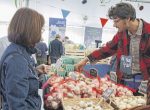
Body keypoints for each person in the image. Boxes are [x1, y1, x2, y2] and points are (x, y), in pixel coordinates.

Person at [75, 2, 150, 91]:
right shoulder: (121, 34)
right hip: (125, 80)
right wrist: (86, 59)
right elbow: (107, 49)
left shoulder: (148, 32)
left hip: (146, 80)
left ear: (127, 19)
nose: (114, 25)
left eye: (116, 21)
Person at [0, 7, 50, 110]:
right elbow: (17, 106)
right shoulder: (17, 59)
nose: (40, 34)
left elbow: (20, 80)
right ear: (31, 30)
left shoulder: (19, 51)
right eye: (40, 29)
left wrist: (35, 71)